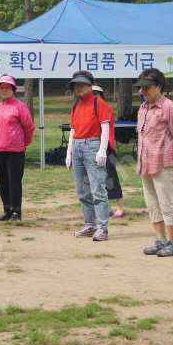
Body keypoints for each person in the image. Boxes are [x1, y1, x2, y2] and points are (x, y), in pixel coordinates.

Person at [135, 68, 173, 257]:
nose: (143, 92)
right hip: (145, 162)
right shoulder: (143, 108)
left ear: (159, 86)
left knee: (166, 203)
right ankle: (160, 240)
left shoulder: (168, 107)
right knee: (152, 204)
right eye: (141, 88)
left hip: (164, 161)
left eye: (147, 87)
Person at [66, 70, 112, 241]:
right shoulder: (76, 105)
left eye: (81, 84)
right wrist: (69, 152)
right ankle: (90, 224)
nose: (78, 88)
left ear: (90, 85)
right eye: (75, 85)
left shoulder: (98, 102)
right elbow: (73, 130)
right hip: (78, 146)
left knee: (97, 188)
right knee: (82, 190)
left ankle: (102, 227)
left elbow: (105, 126)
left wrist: (102, 149)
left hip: (93, 144)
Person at [0, 75, 35, 222]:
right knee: (2, 180)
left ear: (13, 90)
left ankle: (16, 211)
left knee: (14, 180)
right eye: (1, 88)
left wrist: (23, 143)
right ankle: (7, 209)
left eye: (7, 87)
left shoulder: (20, 106)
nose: (3, 90)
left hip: (15, 149)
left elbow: (29, 127)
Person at [92, 84, 125, 217]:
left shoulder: (106, 108)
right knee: (99, 179)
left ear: (102, 96)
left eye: (97, 94)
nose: (94, 96)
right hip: (93, 147)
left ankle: (120, 208)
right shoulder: (87, 108)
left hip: (106, 147)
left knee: (111, 177)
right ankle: (107, 208)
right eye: (92, 93)